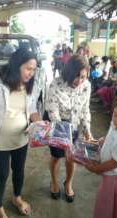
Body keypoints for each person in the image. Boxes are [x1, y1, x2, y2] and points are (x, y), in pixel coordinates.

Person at [0, 48, 40, 218]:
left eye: (33, 69)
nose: (30, 73)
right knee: (2, 174)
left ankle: (16, 197)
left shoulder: (31, 84)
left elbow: (32, 109)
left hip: (21, 137)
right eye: (28, 68)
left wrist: (39, 123)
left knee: (19, 170)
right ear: (16, 64)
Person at [45, 55, 93, 203]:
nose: (79, 81)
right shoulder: (55, 84)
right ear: (68, 73)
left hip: (75, 122)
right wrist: (64, 140)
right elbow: (53, 113)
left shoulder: (86, 86)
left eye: (83, 77)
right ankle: (54, 182)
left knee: (72, 158)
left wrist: (87, 131)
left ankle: (68, 183)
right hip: (58, 123)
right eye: (76, 76)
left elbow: (85, 109)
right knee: (56, 157)